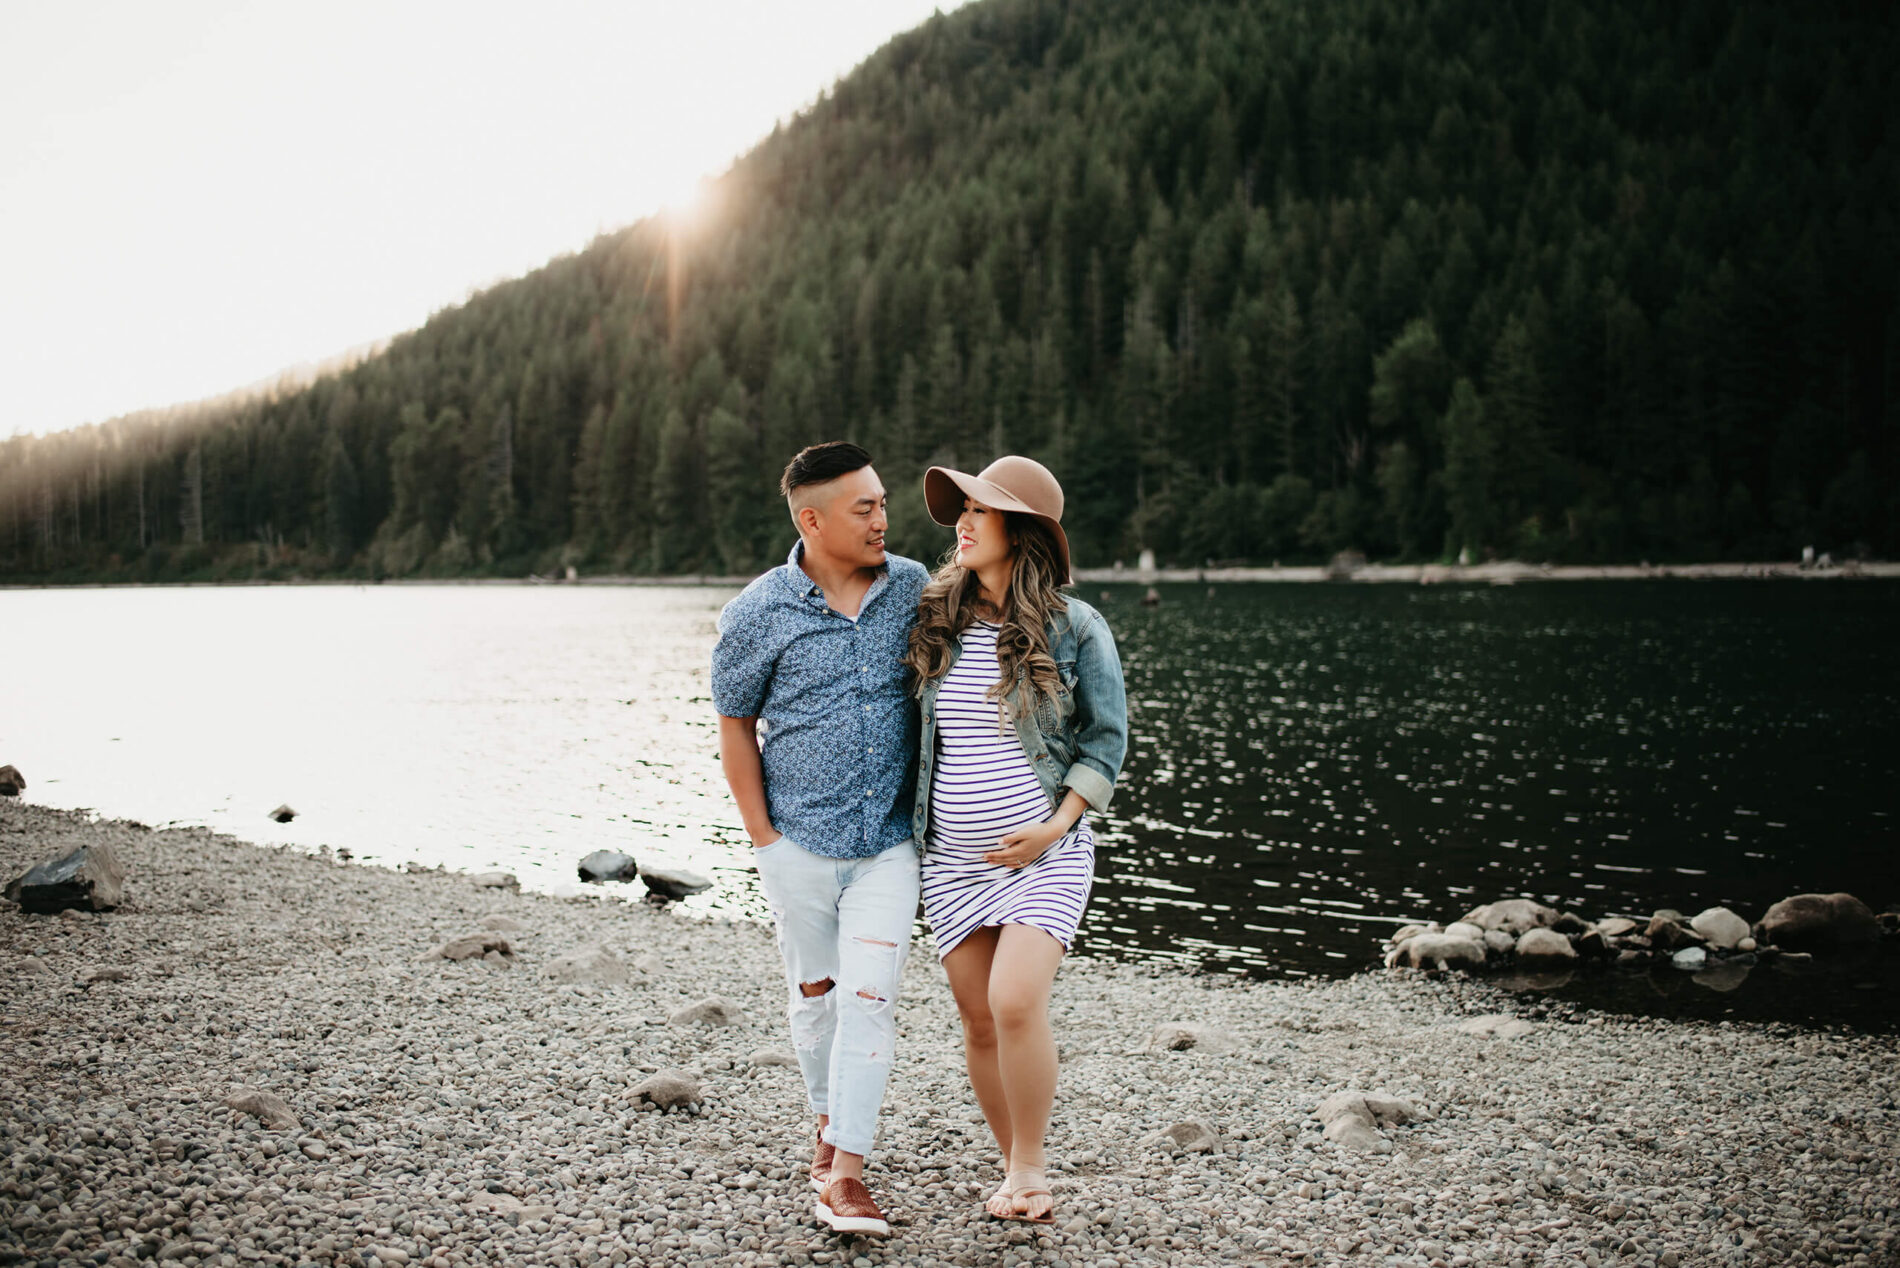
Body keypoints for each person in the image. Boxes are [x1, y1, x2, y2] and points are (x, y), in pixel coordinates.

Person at [902, 455, 1128, 1224]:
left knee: (1015, 1000)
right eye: (961, 510)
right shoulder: (934, 616)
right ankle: (1010, 1166)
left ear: (1021, 530)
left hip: (1048, 854)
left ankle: (1031, 1170)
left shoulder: (1077, 628)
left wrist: (1056, 826)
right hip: (952, 862)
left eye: (980, 512)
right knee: (976, 1018)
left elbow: (1105, 744)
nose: (961, 523)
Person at [711, 441, 927, 1238]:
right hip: (795, 843)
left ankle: (845, 1175)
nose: (882, 518)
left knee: (869, 999)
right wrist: (764, 839)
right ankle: (826, 1117)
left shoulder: (911, 589)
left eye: (882, 502)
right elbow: (735, 728)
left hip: (888, 845)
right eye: (863, 507)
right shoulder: (756, 612)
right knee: (817, 997)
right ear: (813, 519)